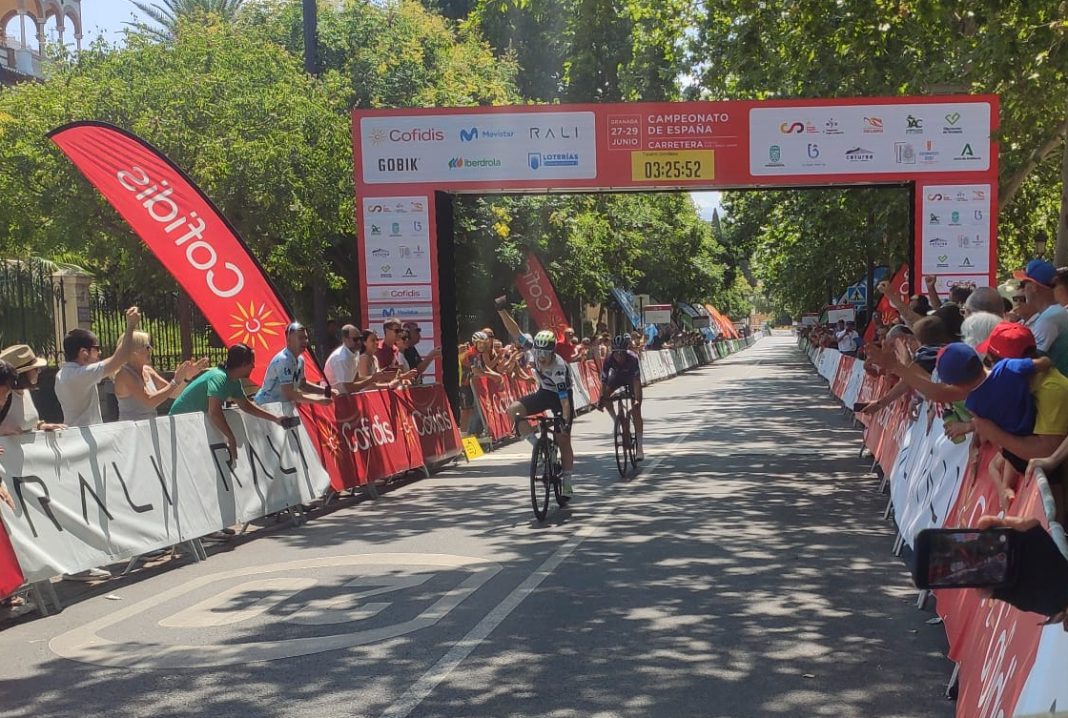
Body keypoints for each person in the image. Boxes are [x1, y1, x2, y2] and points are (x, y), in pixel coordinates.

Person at [171, 344, 287, 467]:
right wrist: (230, 438)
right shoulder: (219, 378)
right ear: (242, 364)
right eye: (251, 363)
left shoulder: (233, 380)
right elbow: (214, 412)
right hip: (180, 422)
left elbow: (246, 406)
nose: (253, 366)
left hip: (192, 423)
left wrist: (275, 418)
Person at [507, 330, 576, 497]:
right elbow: (516, 331)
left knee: (563, 439)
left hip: (561, 397)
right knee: (513, 409)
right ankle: (540, 448)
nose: (541, 356)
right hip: (544, 393)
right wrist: (502, 311)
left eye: (545, 353)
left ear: (552, 352)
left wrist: (565, 424)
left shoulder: (558, 368)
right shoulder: (533, 349)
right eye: (539, 352)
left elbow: (565, 402)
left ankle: (567, 481)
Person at [55, 306, 141, 428]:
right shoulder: (80, 375)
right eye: (96, 348)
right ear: (83, 352)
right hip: (86, 437)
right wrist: (131, 326)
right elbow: (121, 358)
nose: (100, 353)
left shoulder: (62, 374)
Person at [113, 332, 205, 421]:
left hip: (150, 430)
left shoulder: (148, 370)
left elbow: (173, 393)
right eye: (147, 347)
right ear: (133, 351)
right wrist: (175, 381)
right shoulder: (124, 374)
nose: (151, 349)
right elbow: (149, 401)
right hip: (132, 433)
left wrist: (186, 378)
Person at [254, 322, 332, 406]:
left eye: (306, 338)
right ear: (289, 341)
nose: (304, 341)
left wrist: (326, 391)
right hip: (267, 406)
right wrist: (317, 399)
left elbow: (303, 385)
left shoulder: (300, 359)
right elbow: (289, 394)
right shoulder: (284, 360)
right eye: (300, 338)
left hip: (282, 407)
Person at [598, 334, 644, 460]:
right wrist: (601, 398)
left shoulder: (633, 358)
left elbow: (636, 382)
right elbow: (603, 380)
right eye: (616, 353)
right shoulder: (608, 359)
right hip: (617, 377)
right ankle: (616, 421)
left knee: (636, 411)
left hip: (631, 378)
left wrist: (636, 401)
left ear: (626, 351)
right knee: (605, 395)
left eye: (621, 353)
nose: (619, 356)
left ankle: (639, 447)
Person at [0, 345, 64, 435]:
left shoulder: (24, 392)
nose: (39, 371)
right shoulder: (4, 395)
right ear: (23, 373)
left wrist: (40, 426)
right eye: (36, 368)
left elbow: (25, 422)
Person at [324, 324, 363, 394]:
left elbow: (356, 379)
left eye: (360, 338)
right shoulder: (341, 358)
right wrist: (372, 379)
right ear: (345, 339)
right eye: (355, 339)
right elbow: (349, 388)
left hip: (343, 395)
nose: (359, 342)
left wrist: (377, 378)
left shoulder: (355, 352)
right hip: (331, 397)